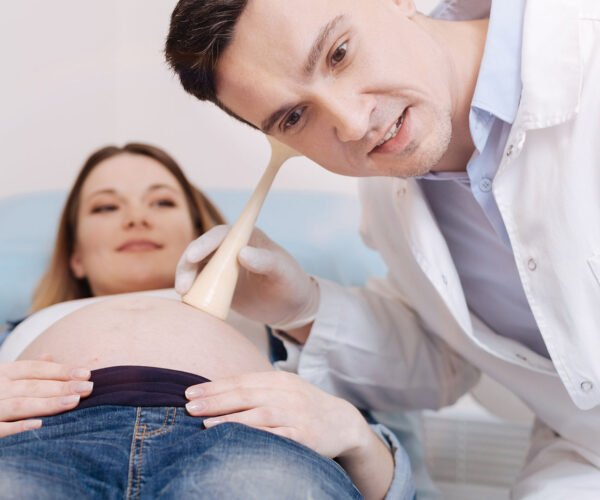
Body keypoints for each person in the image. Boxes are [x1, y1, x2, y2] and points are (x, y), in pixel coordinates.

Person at [165, 0, 600, 497]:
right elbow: (449, 359)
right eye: (296, 117)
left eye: (339, 53)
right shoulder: (389, 194)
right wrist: (301, 308)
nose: (353, 124)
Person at [0, 143, 414, 499]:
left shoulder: (290, 327)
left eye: (162, 202)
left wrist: (357, 435)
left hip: (246, 446)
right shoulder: (14, 331)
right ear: (75, 255)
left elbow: (391, 488)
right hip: (33, 445)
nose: (136, 218)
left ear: (198, 232)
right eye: (106, 207)